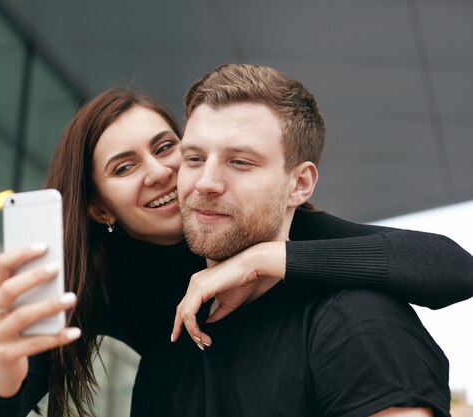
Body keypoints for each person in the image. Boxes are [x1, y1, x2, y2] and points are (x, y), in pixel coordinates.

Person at [0, 88, 473, 417]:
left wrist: (262, 260)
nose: (159, 172)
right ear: (100, 210)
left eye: (166, 148)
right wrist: (0, 364)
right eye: (124, 168)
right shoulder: (102, 283)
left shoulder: (250, 229)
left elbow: (452, 268)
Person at [131, 64, 451, 417]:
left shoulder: (356, 323)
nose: (206, 182)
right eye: (194, 158)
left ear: (299, 184)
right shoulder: (163, 365)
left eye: (240, 162)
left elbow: (452, 265)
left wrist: (260, 260)